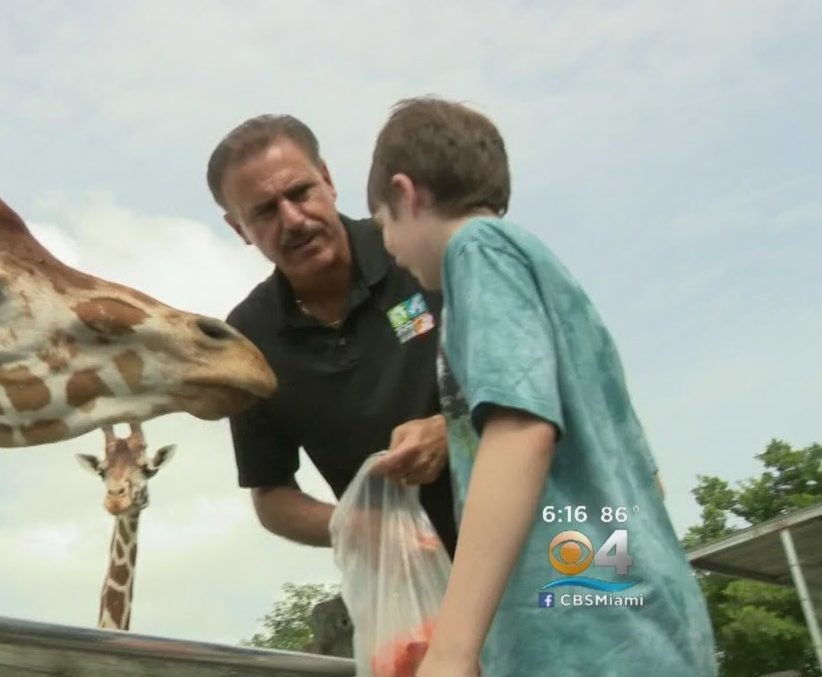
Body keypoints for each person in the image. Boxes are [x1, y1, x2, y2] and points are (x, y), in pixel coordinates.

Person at [365, 96, 718, 677]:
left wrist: (452, 650)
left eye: (382, 225)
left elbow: (521, 432)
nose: (390, 249)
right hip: (635, 615)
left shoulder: (477, 253)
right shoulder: (553, 284)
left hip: (582, 638)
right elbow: (646, 476)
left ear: (406, 194)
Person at [205, 113, 459, 557]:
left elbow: (538, 382)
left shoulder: (421, 251)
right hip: (408, 590)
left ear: (327, 179)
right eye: (264, 211)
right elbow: (270, 494)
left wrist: (452, 431)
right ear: (238, 229)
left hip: (543, 546)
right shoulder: (249, 339)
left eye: (300, 192)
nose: (293, 219)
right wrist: (353, 526)